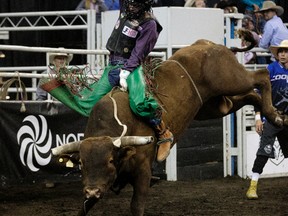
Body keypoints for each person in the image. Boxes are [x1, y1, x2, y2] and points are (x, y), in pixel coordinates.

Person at [41, 0, 173, 162]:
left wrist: (127, 71)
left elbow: (139, 52)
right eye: (129, 2)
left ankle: (163, 132)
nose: (130, 6)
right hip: (112, 65)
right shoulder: (127, 7)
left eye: (135, 4)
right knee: (88, 103)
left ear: (144, 5)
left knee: (139, 103)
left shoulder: (149, 24)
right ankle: (55, 85)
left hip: (131, 67)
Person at [246, 40, 288, 200]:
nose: (283, 54)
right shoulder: (270, 70)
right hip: (271, 116)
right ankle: (252, 186)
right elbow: (258, 94)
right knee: (264, 150)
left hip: (287, 118)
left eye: (285, 51)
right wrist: (258, 117)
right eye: (281, 51)